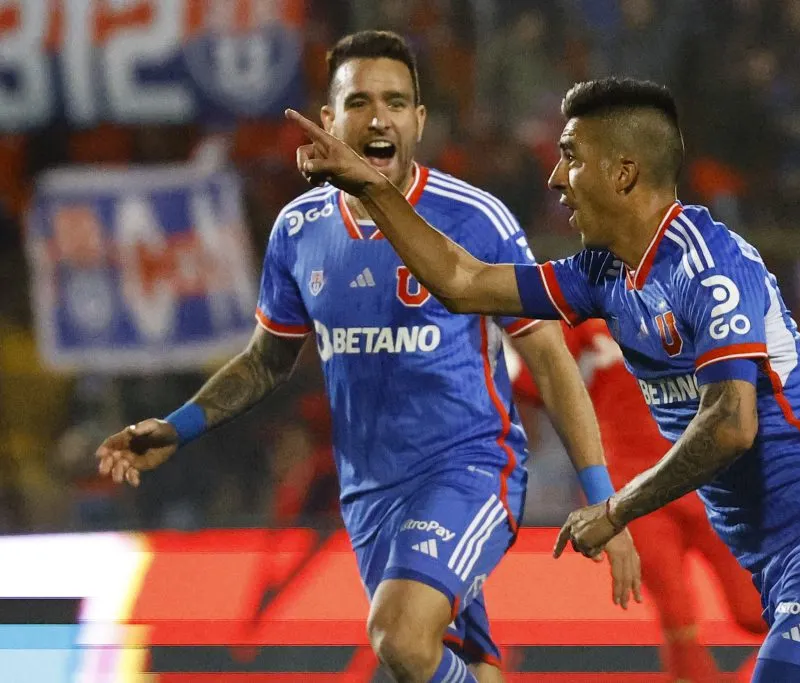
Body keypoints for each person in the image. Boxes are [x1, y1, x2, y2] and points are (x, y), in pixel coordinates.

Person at [283, 75, 800, 683]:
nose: (557, 177)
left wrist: (616, 507)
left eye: (571, 156)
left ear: (624, 172)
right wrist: (372, 188)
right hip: (780, 563)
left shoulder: (708, 266)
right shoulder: (603, 274)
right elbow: (463, 280)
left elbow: (731, 423)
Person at [95, 34, 641, 683]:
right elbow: (266, 361)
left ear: (418, 121)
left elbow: (549, 360)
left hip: (471, 469)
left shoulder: (473, 220)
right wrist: (176, 425)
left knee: (399, 634)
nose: (378, 117)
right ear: (329, 120)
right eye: (359, 101)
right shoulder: (299, 231)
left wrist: (606, 500)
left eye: (395, 101)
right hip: (371, 494)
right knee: (456, 662)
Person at [506, 319, 767, 682]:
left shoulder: (696, 304)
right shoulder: (587, 319)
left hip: (707, 478)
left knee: (755, 609)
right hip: (635, 489)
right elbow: (536, 382)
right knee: (677, 612)